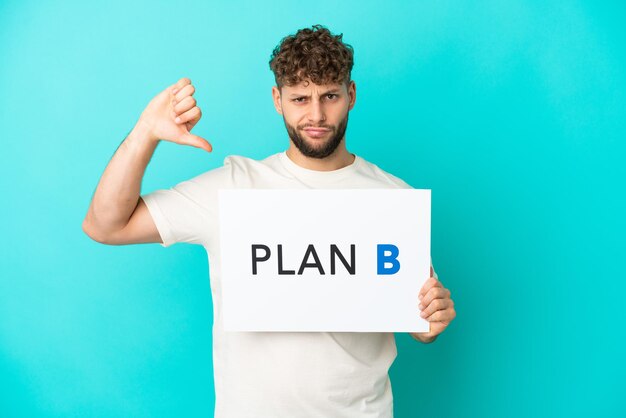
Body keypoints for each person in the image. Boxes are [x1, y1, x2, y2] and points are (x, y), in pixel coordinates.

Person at [83, 24, 456, 418]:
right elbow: (105, 225)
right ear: (278, 100)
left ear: (351, 95)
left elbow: (417, 317)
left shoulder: (392, 198)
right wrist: (145, 134)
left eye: (330, 96)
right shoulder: (233, 188)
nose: (316, 115)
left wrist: (429, 319)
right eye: (300, 98)